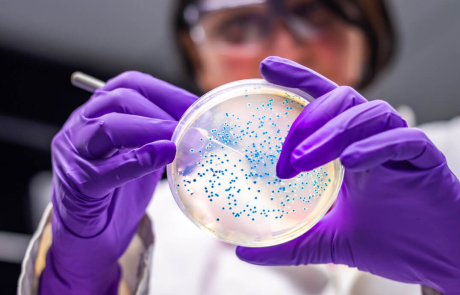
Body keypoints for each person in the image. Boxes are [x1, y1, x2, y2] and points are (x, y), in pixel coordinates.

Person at [18, 0, 460, 294]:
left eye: (315, 11)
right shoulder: (160, 222)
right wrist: (81, 273)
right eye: (238, 24)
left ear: (369, 39)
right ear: (198, 58)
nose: (286, 45)